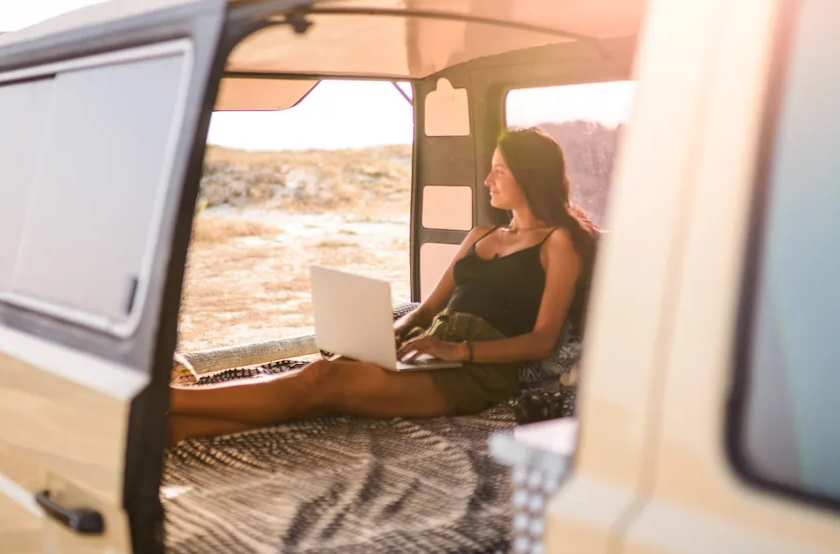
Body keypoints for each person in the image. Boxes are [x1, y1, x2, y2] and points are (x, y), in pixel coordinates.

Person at [169, 127, 599, 442]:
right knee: (316, 386)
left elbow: (542, 341)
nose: (488, 181)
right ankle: (169, 429)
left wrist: (457, 351)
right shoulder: (481, 236)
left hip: (476, 375)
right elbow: (427, 311)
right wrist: (391, 333)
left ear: (529, 175)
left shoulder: (558, 243)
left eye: (499, 171)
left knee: (320, 380)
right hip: (430, 353)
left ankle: (168, 403)